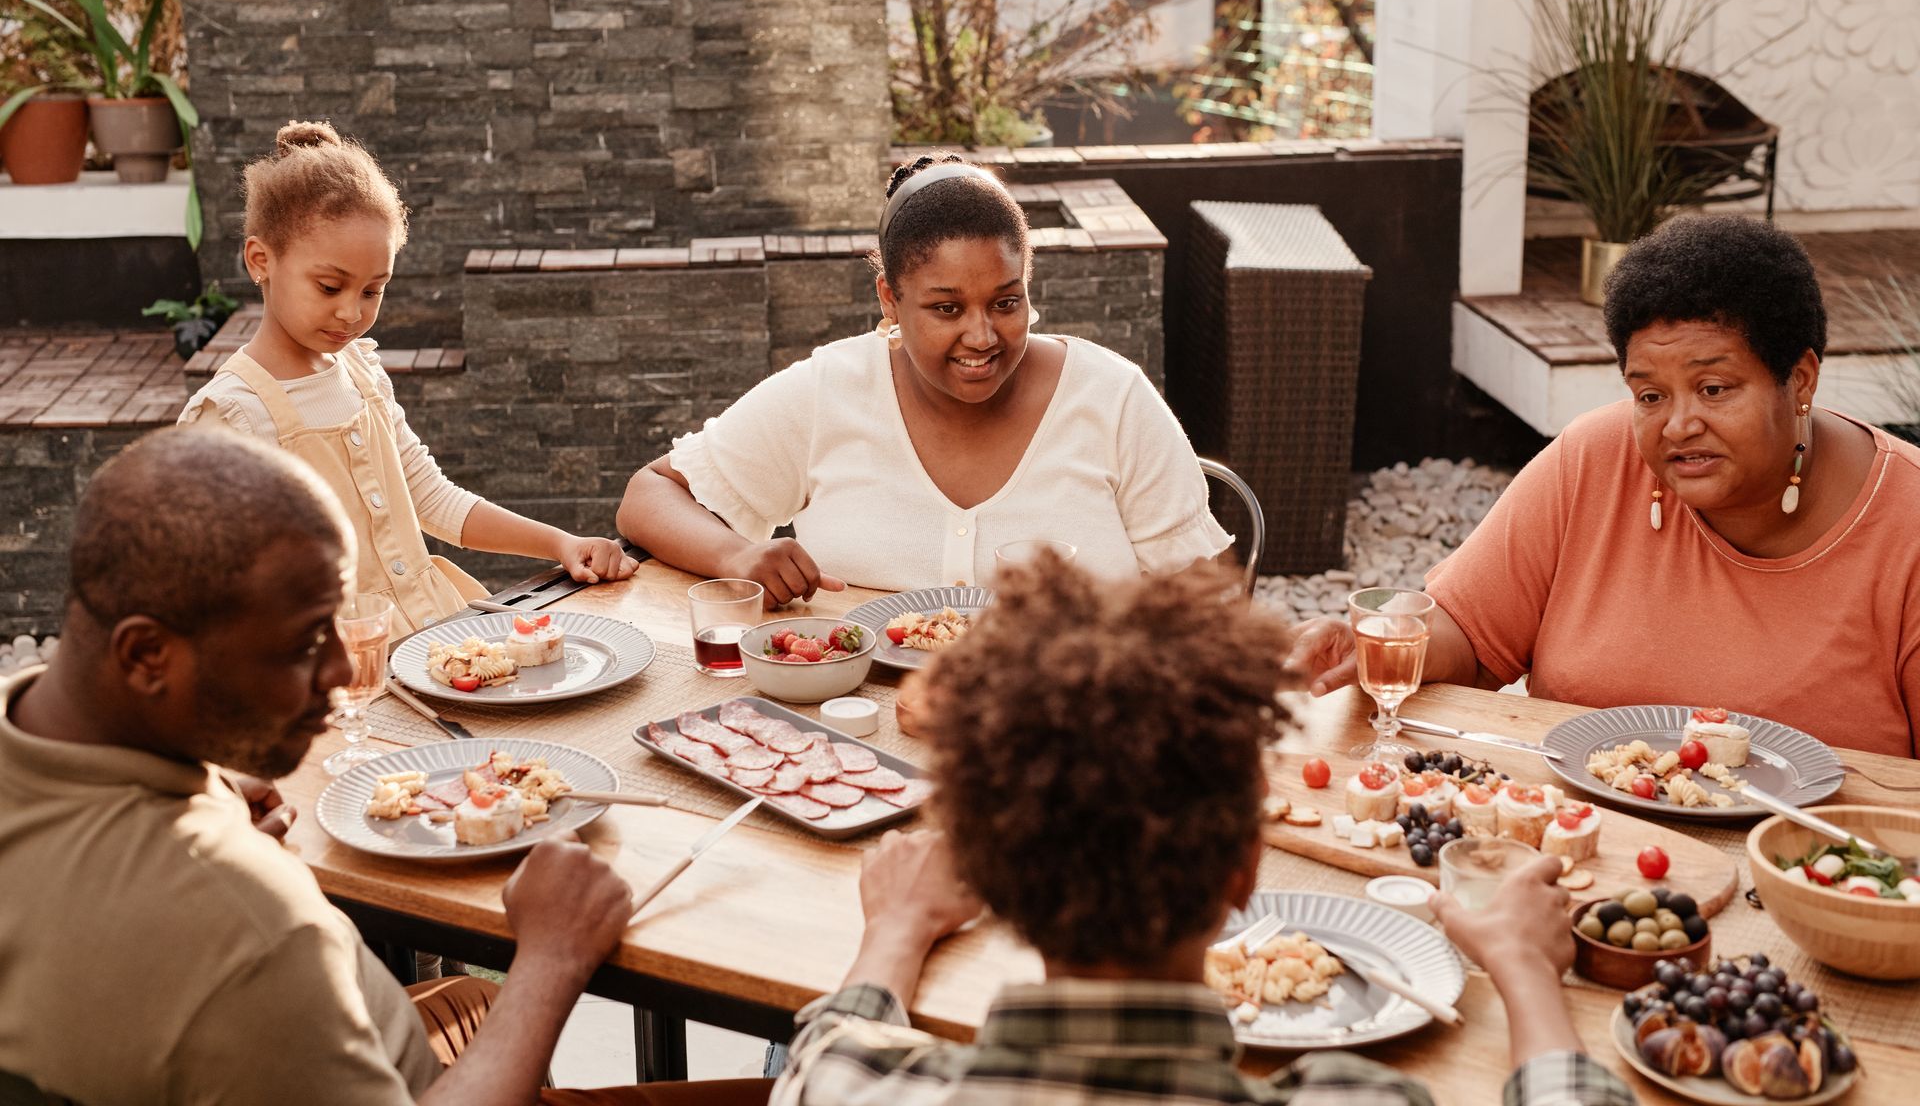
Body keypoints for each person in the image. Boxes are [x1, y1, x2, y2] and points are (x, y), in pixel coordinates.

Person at [0, 426, 762, 1105]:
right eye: (303, 645)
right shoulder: (246, 938)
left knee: (466, 997)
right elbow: (227, 957)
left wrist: (209, 796)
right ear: (145, 655)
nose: (341, 670)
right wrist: (551, 959)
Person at [770, 555, 1635, 1106]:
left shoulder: (863, 1090)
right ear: (1244, 866)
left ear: (988, 879)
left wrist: (895, 930)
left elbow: (827, 1049)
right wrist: (1524, 969)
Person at [1291, 215, 1920, 757]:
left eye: (1714, 389)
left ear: (1801, 379)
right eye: (1650, 394)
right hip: (1580, 844)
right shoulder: (1596, 457)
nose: (1678, 425)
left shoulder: (1906, 523)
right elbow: (1470, 632)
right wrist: (1386, 640)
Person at [618, 153, 1230, 605]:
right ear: (890, 298)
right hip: (849, 728)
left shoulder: (1111, 397)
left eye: (1005, 302)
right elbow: (649, 496)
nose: (982, 336)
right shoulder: (831, 390)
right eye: (946, 309)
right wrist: (738, 553)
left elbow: (1215, 602)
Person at [181, 120, 635, 632]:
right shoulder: (231, 416)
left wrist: (560, 543)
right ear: (261, 260)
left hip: (431, 638)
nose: (352, 313)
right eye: (330, 287)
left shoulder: (361, 371)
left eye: (373, 290)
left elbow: (431, 498)